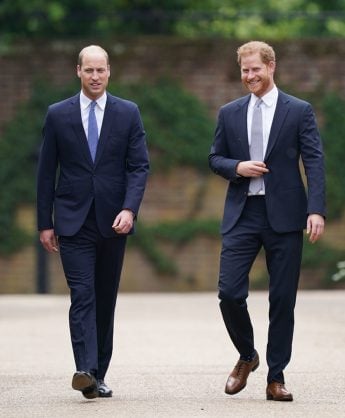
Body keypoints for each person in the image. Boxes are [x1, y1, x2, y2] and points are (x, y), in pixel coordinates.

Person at [208, 41, 325, 401]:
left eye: (255, 69)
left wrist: (315, 209)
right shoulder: (229, 113)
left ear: (271, 66)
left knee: (283, 300)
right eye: (244, 70)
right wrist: (236, 167)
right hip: (243, 212)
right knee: (229, 292)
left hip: (286, 216)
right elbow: (215, 158)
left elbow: (315, 161)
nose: (249, 76)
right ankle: (247, 355)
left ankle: (276, 377)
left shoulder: (298, 110)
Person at [37, 45, 149, 399]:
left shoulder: (128, 113)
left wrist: (130, 209)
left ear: (109, 72)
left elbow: (139, 167)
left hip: (114, 221)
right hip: (73, 222)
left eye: (101, 70)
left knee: (104, 299)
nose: (95, 76)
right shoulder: (58, 115)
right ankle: (84, 369)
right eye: (89, 70)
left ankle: (97, 373)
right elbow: (45, 173)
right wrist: (45, 222)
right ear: (78, 71)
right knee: (82, 295)